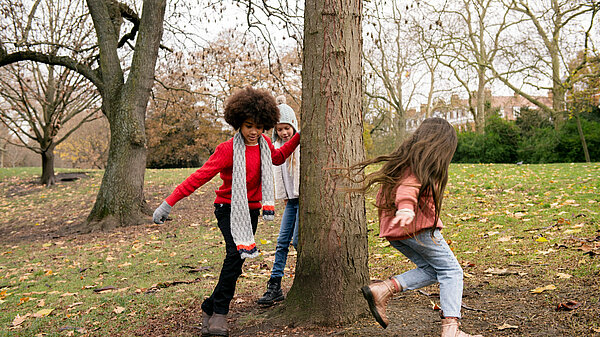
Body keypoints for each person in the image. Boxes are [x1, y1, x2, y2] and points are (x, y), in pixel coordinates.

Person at [152, 87, 300, 337]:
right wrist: (168, 203)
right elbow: (199, 177)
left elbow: (278, 157)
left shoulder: (264, 144)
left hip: (251, 211)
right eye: (248, 125)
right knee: (234, 255)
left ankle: (210, 306)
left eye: (259, 126)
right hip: (227, 208)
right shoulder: (227, 149)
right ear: (238, 124)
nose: (254, 132)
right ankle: (219, 312)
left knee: (237, 259)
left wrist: (300, 136)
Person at [347, 118, 483, 337]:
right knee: (452, 271)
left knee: (434, 270)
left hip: (397, 232)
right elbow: (407, 189)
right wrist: (406, 208)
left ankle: (384, 289)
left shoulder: (407, 161)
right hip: (415, 228)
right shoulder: (419, 165)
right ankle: (451, 330)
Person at [257, 95, 300, 306]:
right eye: (280, 129)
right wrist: (283, 197)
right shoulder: (275, 148)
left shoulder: (299, 146)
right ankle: (274, 285)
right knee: (282, 241)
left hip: (303, 201)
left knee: (299, 240)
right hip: (290, 203)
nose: (284, 132)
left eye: (287, 128)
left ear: (293, 126)